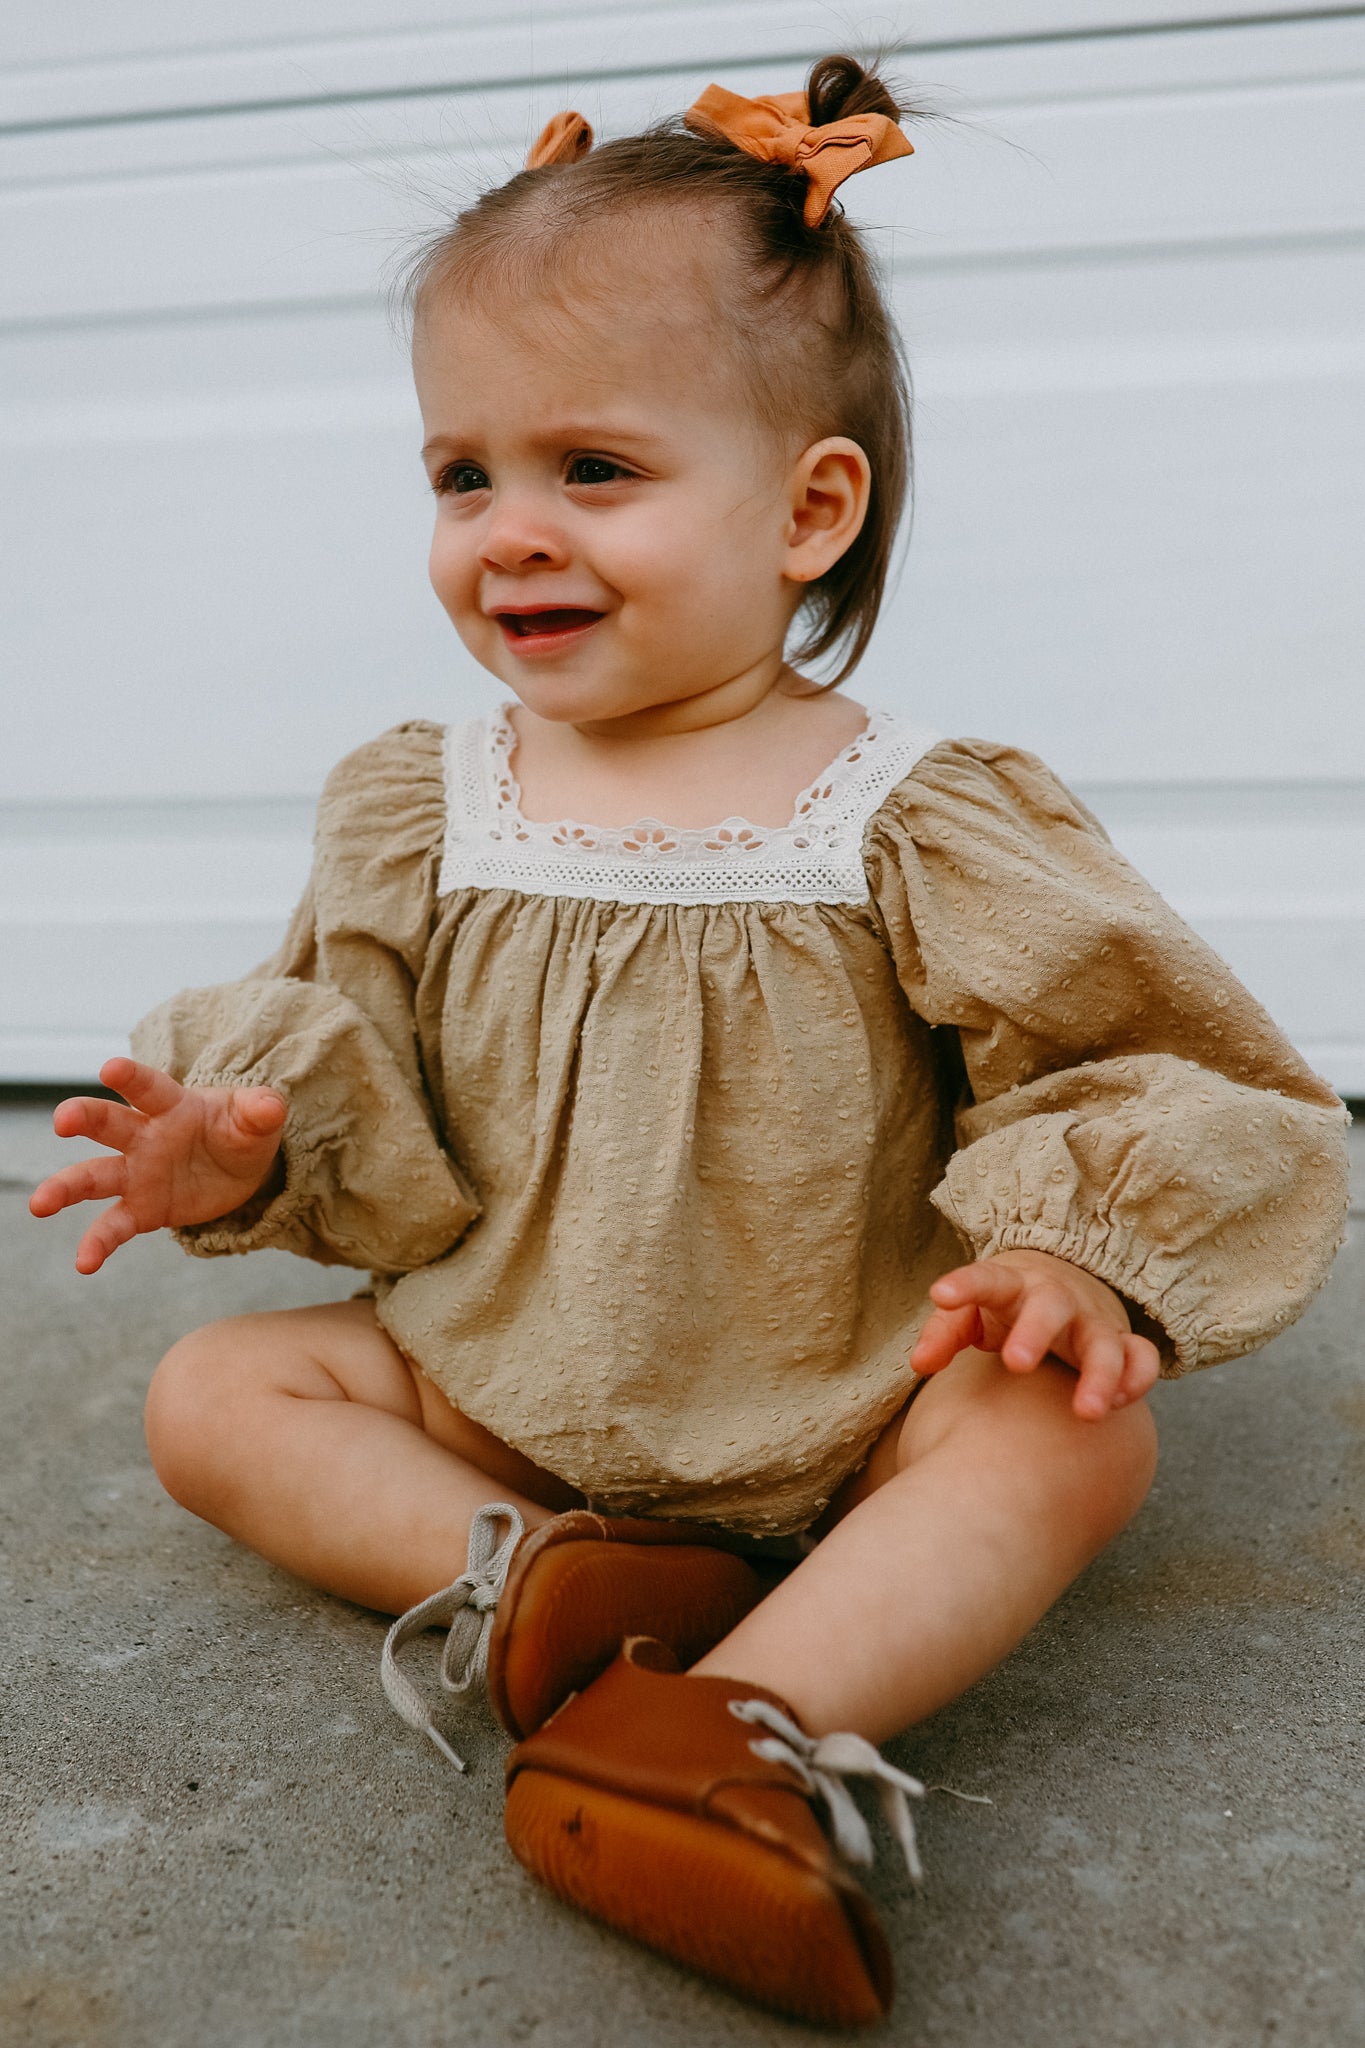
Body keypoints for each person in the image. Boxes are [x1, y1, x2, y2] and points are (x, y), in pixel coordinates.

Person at [31, 57, 1349, 2026]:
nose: (508, 530)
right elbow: (350, 1064)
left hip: (843, 1388)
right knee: (212, 1397)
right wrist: (254, 1138)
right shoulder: (416, 802)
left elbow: (1145, 1051)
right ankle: (556, 1582)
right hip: (508, 1380)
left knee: (1064, 1438)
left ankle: (727, 1729)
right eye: (459, 473)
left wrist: (1074, 1251)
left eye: (594, 469)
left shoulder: (911, 809)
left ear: (808, 506)